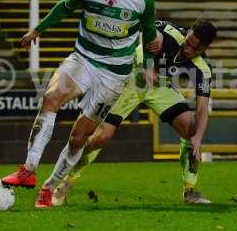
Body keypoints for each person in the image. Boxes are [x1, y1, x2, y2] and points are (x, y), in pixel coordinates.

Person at [1, 0, 159, 208]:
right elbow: (64, 7)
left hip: (114, 74)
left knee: (78, 137)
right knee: (50, 98)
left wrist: (150, 65)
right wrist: (37, 30)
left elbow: (150, 32)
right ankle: (28, 170)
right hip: (83, 59)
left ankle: (50, 187)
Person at [48, 19, 217, 207]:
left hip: (160, 86)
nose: (188, 50)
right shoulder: (172, 33)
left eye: (195, 49)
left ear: (204, 49)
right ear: (188, 33)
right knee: (101, 138)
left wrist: (198, 138)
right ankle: (65, 182)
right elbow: (146, 27)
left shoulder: (203, 69)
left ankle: (189, 191)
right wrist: (148, 64)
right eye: (187, 43)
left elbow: (202, 108)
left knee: (193, 131)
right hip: (131, 77)